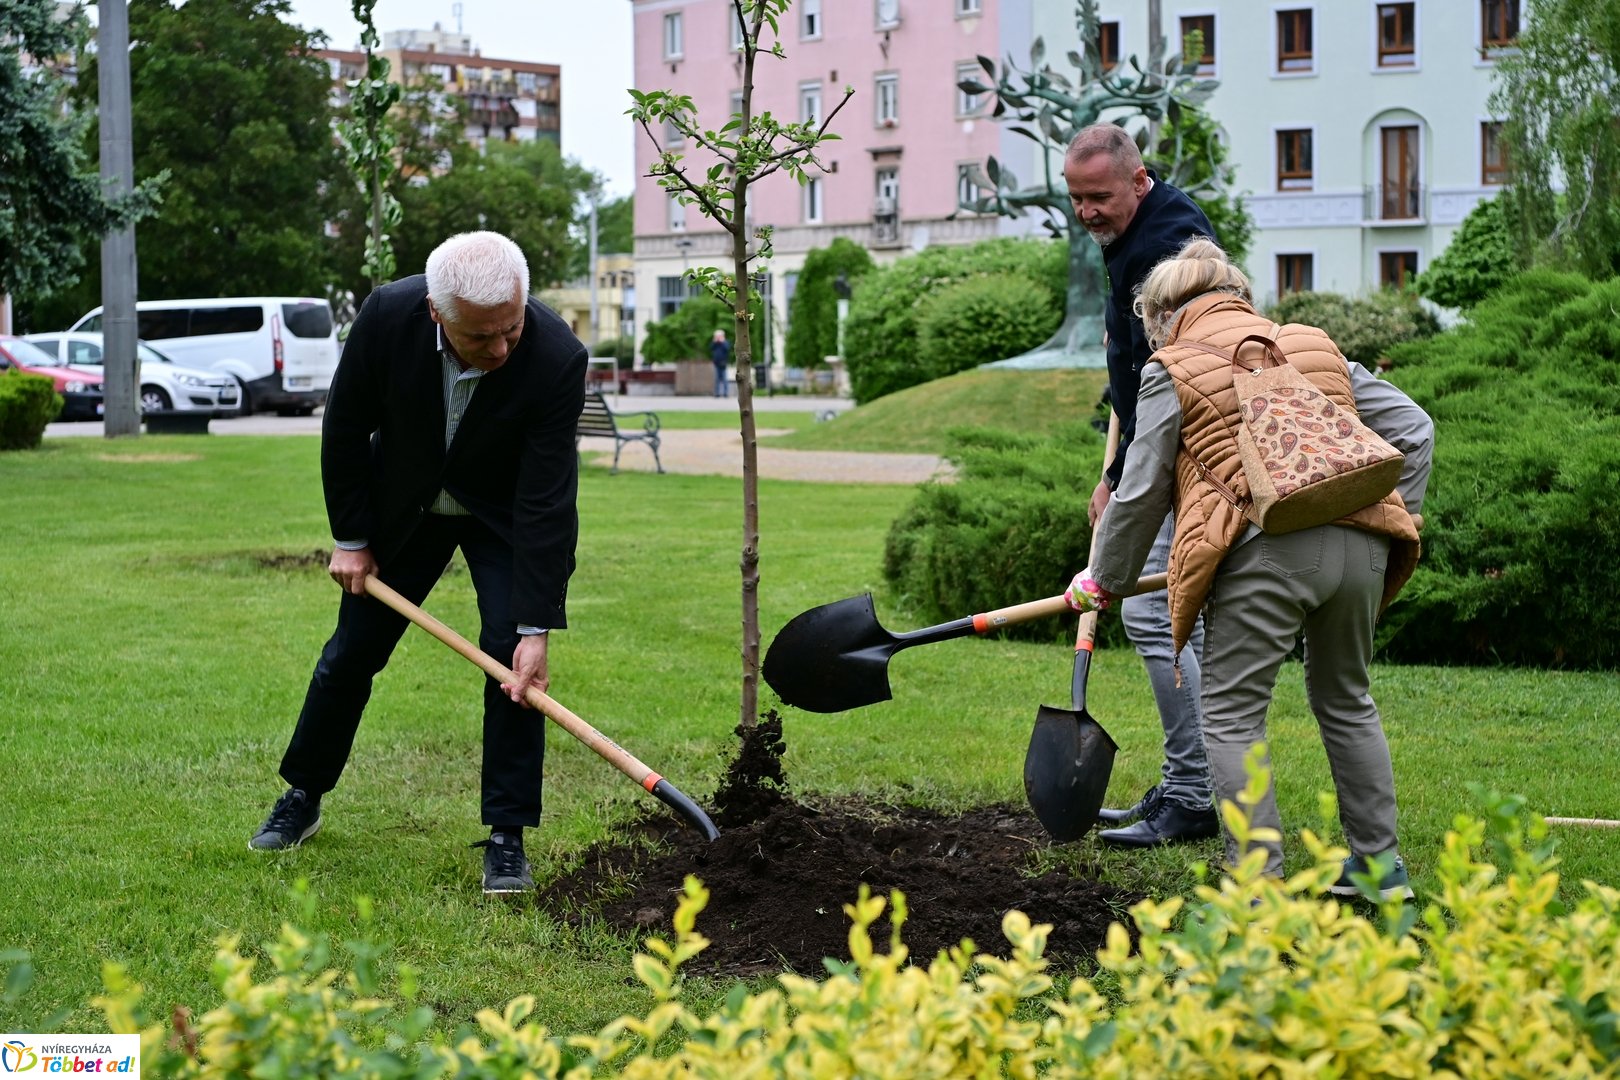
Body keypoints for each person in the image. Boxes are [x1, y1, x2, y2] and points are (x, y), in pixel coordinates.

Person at [1065, 238, 1432, 897]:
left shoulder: (1172, 366)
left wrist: (1103, 580)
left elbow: (1141, 491)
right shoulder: (1308, 345)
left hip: (1267, 551)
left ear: (1164, 314)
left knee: (1232, 714)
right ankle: (1381, 872)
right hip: (1363, 543)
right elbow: (1415, 429)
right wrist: (1399, 520)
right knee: (1346, 700)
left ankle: (1259, 890)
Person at [249, 231, 588, 896]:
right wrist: (350, 536)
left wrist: (535, 625)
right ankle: (303, 794)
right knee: (351, 653)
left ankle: (507, 836)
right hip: (403, 507)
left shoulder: (555, 356)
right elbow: (345, 426)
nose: (500, 349)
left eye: (510, 330)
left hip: (500, 517)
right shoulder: (386, 317)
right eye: (481, 337)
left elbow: (549, 498)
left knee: (511, 665)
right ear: (439, 314)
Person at [1063, 122, 1218, 846]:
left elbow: (1177, 381)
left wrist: (1132, 483)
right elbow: (1130, 370)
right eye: (1076, 198)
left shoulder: (1169, 243)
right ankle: (1194, 783)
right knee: (1175, 624)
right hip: (1149, 448)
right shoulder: (1126, 235)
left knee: (1160, 619)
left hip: (1186, 455)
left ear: (1138, 179)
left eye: (1099, 197)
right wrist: (1110, 470)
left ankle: (1193, 794)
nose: (1087, 211)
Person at [710, 329, 732, 398]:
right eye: (717, 336)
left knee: (725, 379)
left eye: (719, 336)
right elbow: (711, 348)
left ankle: (726, 393)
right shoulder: (715, 343)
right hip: (716, 363)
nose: (718, 337)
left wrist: (722, 342)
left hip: (723, 363)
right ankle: (717, 393)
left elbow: (727, 349)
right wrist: (715, 342)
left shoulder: (725, 342)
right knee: (717, 379)